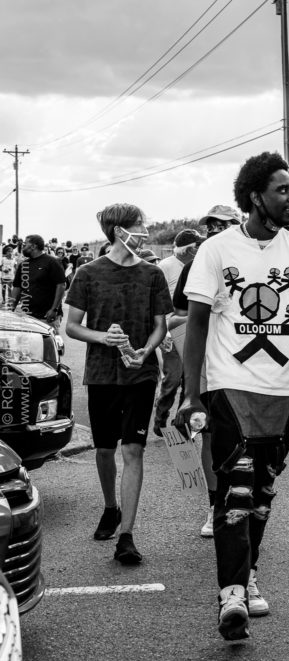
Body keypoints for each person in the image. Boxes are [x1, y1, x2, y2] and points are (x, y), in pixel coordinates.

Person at [175, 151, 289, 641]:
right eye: (283, 190)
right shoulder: (217, 251)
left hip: (285, 389)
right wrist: (191, 394)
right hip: (230, 385)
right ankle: (231, 596)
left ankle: (248, 574)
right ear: (255, 196)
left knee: (262, 491)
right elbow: (197, 325)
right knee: (236, 488)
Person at [64, 204, 173, 565]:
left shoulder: (153, 273)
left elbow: (161, 323)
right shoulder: (88, 273)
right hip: (101, 374)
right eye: (138, 225)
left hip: (140, 374)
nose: (144, 230)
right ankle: (110, 507)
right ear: (118, 229)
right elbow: (72, 326)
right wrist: (102, 338)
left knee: (134, 450)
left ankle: (126, 534)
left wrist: (148, 350)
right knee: (105, 450)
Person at [172, 209, 237, 538]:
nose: (216, 231)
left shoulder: (253, 263)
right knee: (208, 434)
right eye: (211, 227)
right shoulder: (195, 267)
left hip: (246, 364)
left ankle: (242, 502)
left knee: (247, 438)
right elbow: (181, 313)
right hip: (207, 364)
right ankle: (216, 507)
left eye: (224, 225)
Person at [153, 229, 205, 437]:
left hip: (193, 329)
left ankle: (181, 424)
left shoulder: (201, 267)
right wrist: (161, 332)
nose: (200, 249)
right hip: (171, 330)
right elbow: (155, 300)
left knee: (190, 379)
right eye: (196, 246)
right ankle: (160, 417)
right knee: (173, 378)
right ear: (188, 249)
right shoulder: (165, 267)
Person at [10, 234, 67, 326]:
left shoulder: (52, 262)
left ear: (33, 246)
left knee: (48, 340)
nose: (23, 246)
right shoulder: (23, 265)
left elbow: (61, 285)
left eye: (25, 244)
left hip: (47, 316)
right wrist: (10, 308)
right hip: (27, 316)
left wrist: (54, 309)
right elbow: (17, 287)